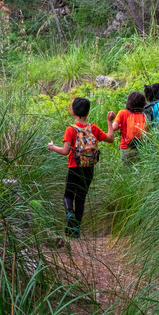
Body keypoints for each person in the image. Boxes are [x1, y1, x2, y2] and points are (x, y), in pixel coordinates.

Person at [47, 97, 115, 237]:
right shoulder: (93, 128)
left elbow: (65, 151)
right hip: (89, 168)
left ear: (73, 112)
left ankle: (69, 213)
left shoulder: (71, 130)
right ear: (88, 113)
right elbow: (110, 138)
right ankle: (75, 231)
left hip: (74, 166)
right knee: (81, 197)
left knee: (68, 195)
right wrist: (109, 121)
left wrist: (52, 147)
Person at [113, 91, 148, 164]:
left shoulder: (123, 113)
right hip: (140, 148)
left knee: (126, 172)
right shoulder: (144, 115)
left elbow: (114, 128)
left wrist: (111, 121)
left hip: (125, 148)